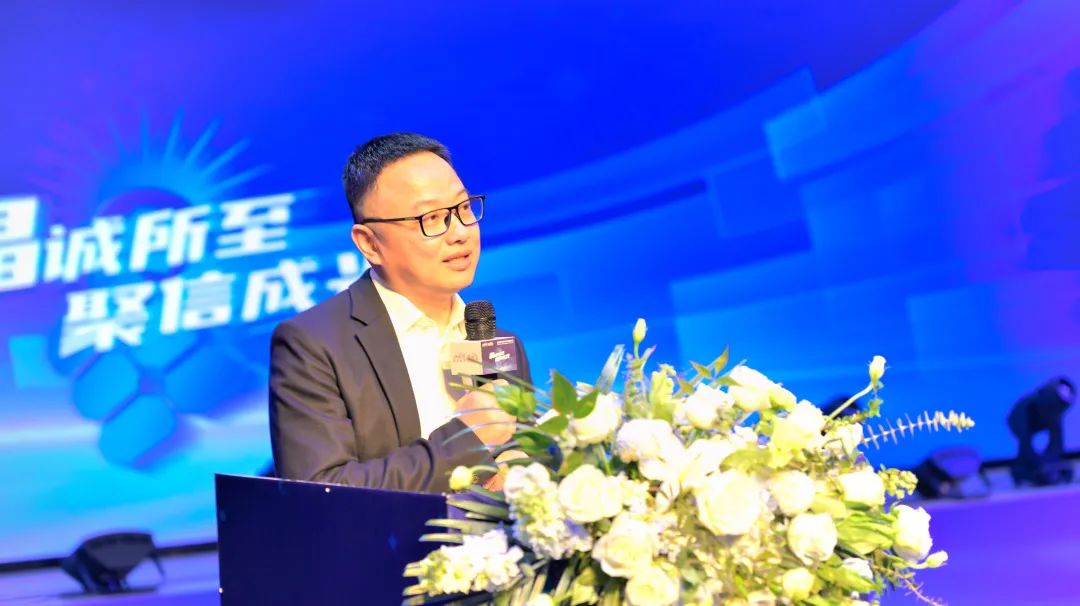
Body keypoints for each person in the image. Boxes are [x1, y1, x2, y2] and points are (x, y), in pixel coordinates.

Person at [269, 133, 529, 493]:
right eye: (432, 218)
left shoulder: (498, 343)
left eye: (464, 208)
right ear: (369, 243)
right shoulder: (313, 345)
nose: (460, 233)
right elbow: (321, 491)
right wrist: (465, 442)